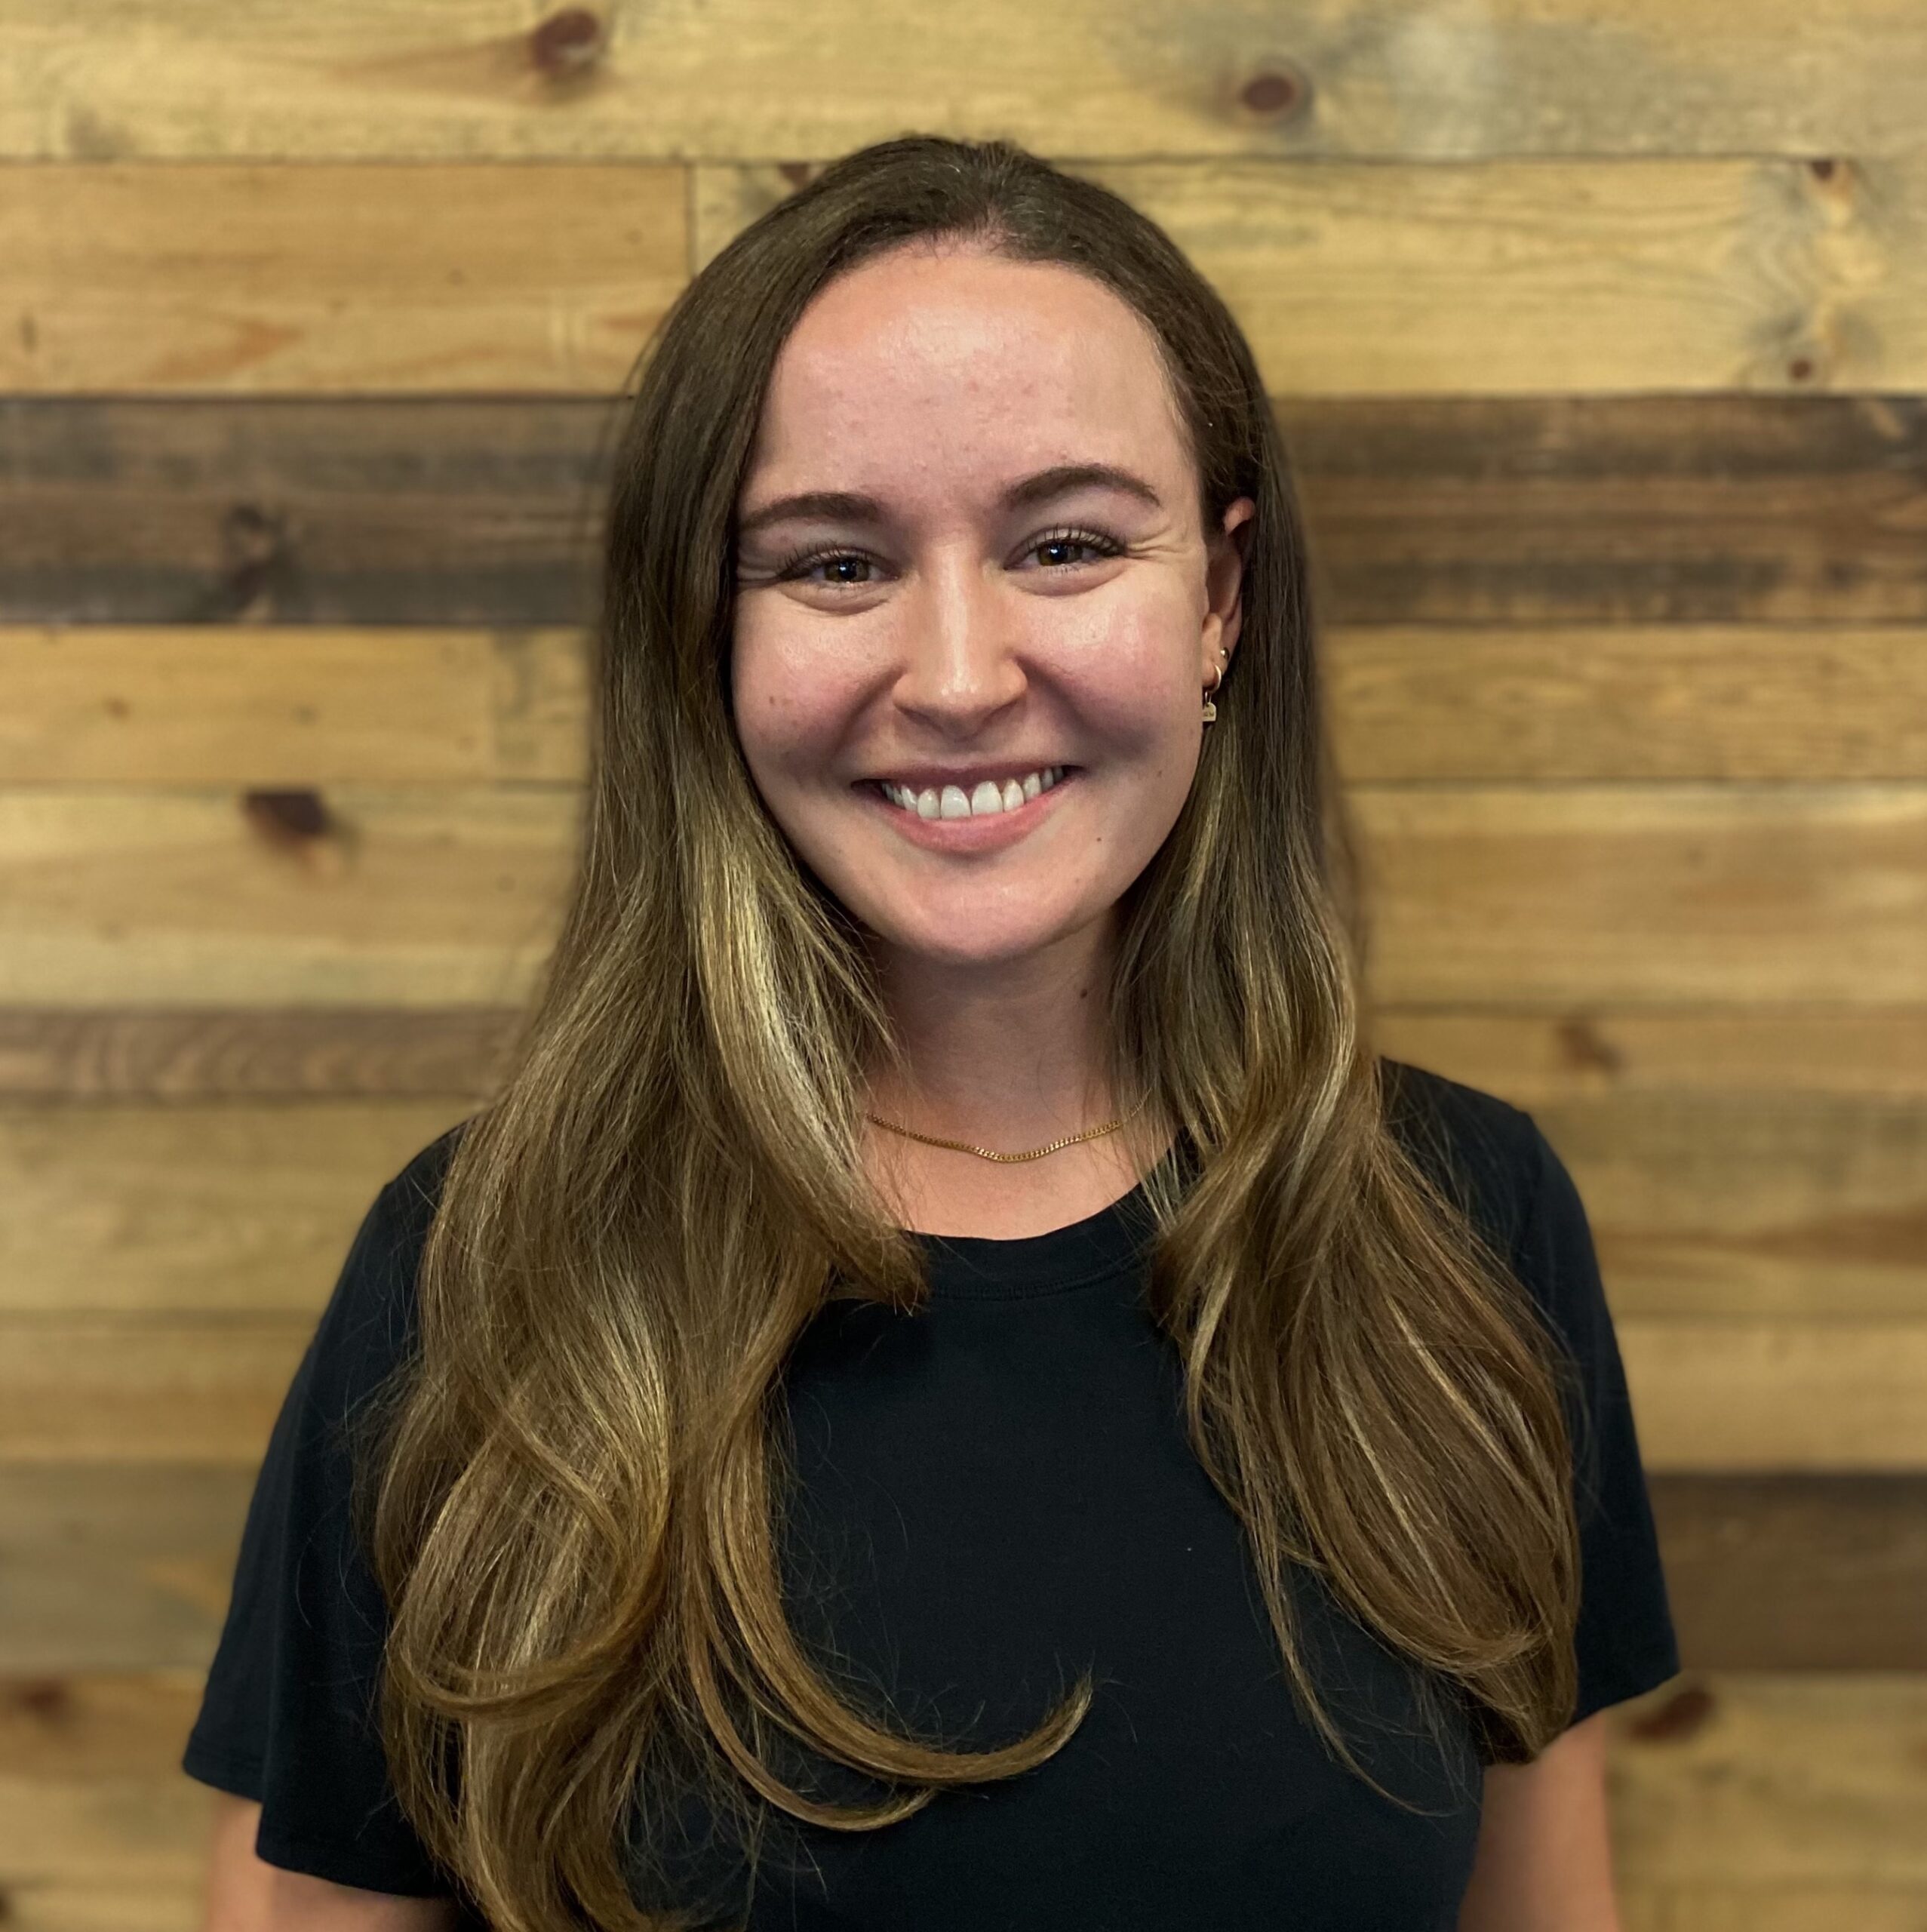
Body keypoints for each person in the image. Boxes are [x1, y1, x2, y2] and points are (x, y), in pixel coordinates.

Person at [183, 134, 1680, 1932]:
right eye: (832, 563)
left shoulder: (1459, 1216)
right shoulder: (482, 1268)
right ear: (705, 631)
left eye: (1060, 541)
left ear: (1215, 597)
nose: (959, 673)